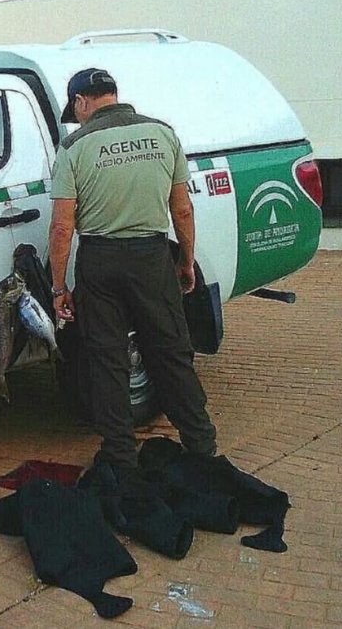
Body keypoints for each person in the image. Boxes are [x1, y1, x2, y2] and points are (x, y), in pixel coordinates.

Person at [48, 67, 216, 469]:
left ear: (81, 102)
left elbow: (62, 227)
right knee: (171, 351)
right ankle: (201, 443)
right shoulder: (163, 133)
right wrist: (186, 261)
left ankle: (120, 455)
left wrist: (58, 288)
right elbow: (183, 209)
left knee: (108, 361)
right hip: (152, 258)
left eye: (76, 110)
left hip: (100, 262)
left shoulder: (74, 147)